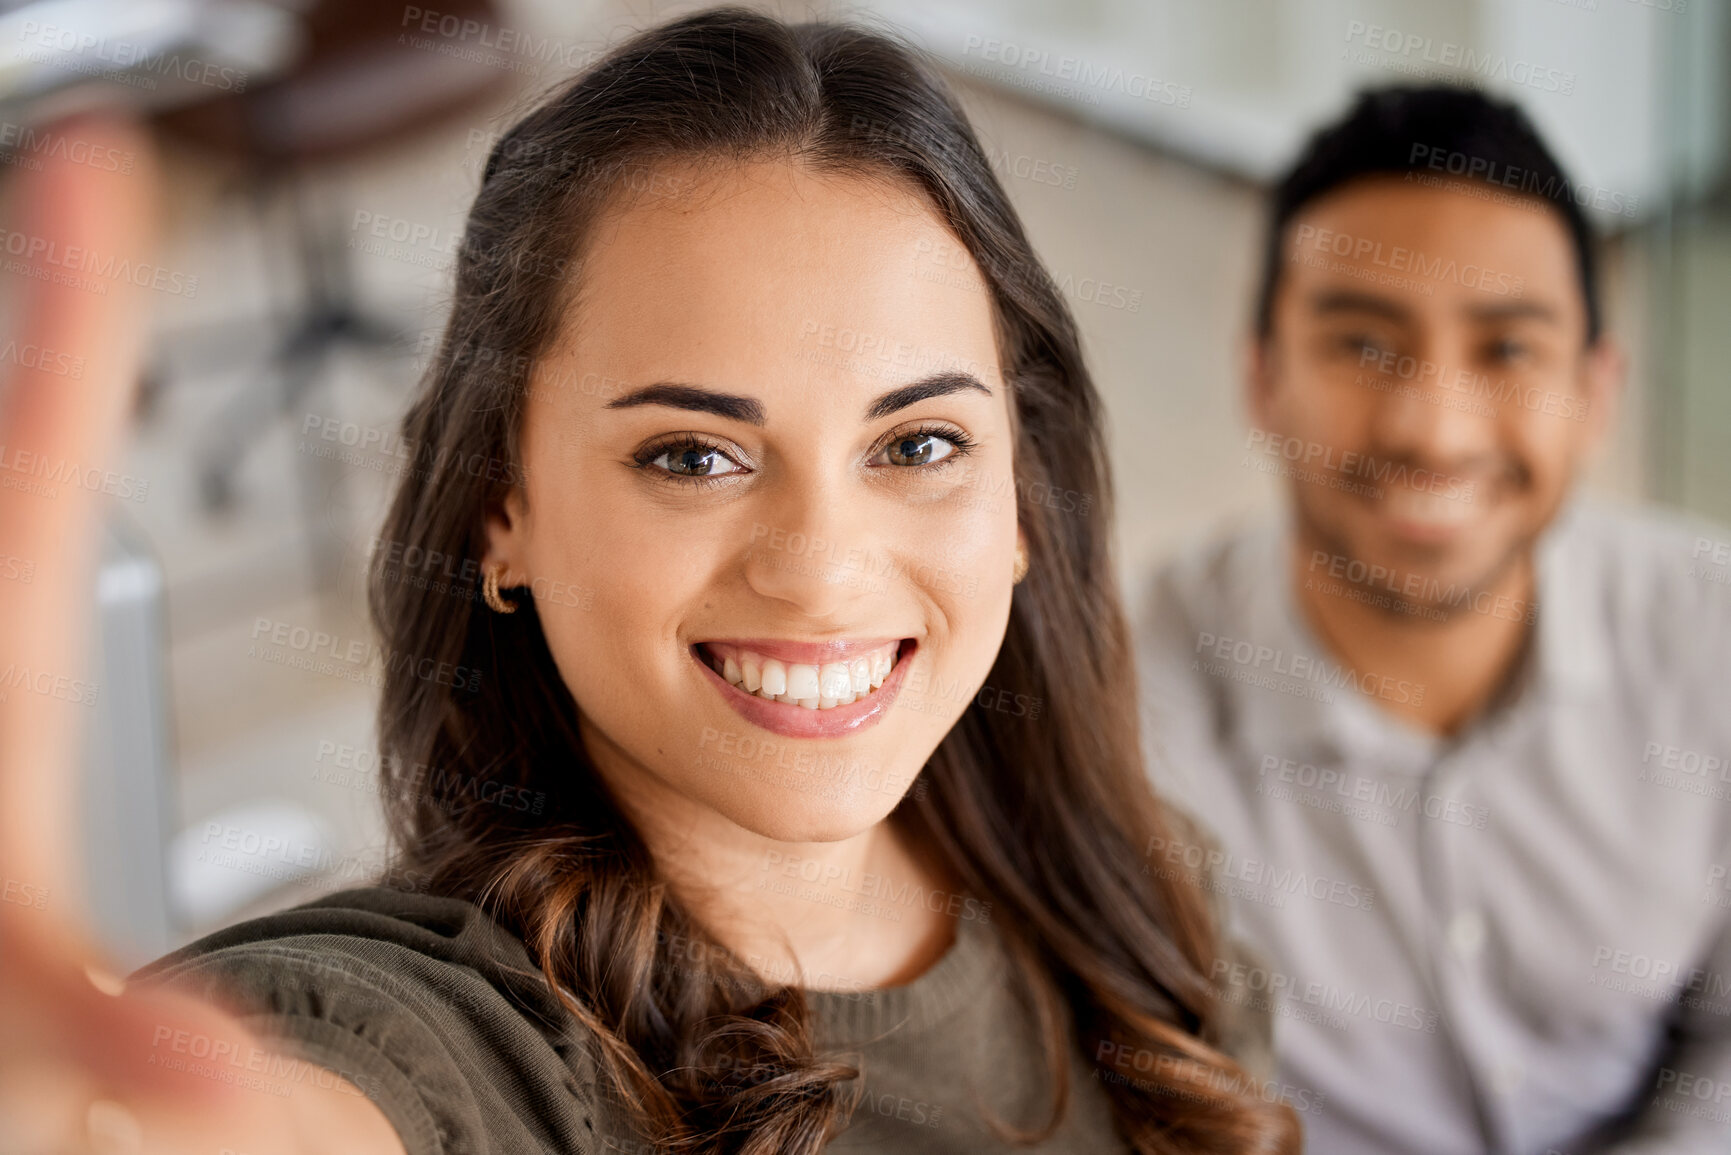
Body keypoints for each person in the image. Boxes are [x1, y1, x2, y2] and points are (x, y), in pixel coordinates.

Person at [0, 8, 1301, 1153]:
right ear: (501, 511)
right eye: (692, 454)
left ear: (1020, 497)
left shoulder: (1121, 904)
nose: (818, 568)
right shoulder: (467, 1045)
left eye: (917, 443)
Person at [1136, 83, 1731, 1154]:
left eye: (1507, 351)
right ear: (1263, 379)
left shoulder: (1711, 635)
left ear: (1597, 394)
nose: (1433, 428)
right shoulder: (1127, 707)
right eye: (1364, 345)